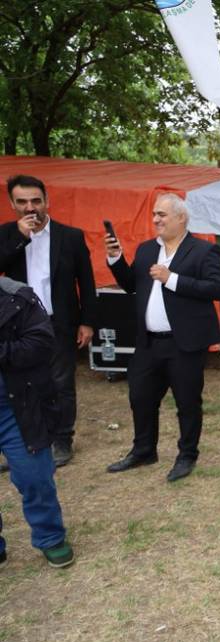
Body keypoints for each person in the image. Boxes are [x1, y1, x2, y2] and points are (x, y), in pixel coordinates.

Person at [103, 193, 220, 482]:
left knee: (187, 402)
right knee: (140, 398)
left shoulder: (203, 251)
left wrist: (172, 279)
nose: (156, 219)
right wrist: (115, 257)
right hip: (148, 343)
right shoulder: (146, 250)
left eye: (162, 214)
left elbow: (216, 288)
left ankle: (187, 455)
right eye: (154, 215)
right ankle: (144, 450)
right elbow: (132, 285)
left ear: (181, 217)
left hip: (184, 343)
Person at [0, 175, 97, 468]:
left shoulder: (71, 236)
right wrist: (19, 237)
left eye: (36, 201)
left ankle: (61, 440)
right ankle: (24, 442)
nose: (30, 208)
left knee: (61, 382)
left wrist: (88, 321)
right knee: (20, 383)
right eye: (22, 202)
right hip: (19, 326)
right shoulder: (6, 234)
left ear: (47, 201)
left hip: (60, 321)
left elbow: (87, 282)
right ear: (12, 204)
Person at [0, 276, 74, 568]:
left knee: (34, 477)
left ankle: (50, 537)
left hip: (16, 407)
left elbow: (41, 343)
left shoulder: (18, 297)